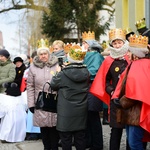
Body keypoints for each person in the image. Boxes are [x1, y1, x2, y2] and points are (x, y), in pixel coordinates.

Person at [90, 28, 130, 150]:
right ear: (112, 44)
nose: (117, 45)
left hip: (129, 99)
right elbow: (104, 80)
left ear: (124, 43)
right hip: (116, 99)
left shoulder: (130, 57)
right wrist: (111, 90)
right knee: (116, 130)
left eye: (119, 42)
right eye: (115, 43)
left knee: (130, 129)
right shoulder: (108, 60)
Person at [112, 34, 150, 150]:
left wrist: (121, 101)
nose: (127, 54)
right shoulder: (135, 64)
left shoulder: (141, 65)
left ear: (136, 53)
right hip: (131, 111)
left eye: (129, 52)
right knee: (131, 141)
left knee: (134, 142)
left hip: (136, 111)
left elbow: (139, 92)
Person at [50, 46, 90, 150]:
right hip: (81, 109)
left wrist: (58, 72)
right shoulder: (86, 72)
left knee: (65, 138)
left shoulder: (63, 74)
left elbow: (53, 85)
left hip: (65, 110)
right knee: (80, 137)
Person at [27, 39, 59, 150]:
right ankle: (46, 148)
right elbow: (30, 86)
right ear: (38, 55)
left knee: (54, 128)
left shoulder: (56, 66)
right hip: (40, 101)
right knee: (44, 129)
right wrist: (31, 104)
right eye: (41, 54)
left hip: (55, 101)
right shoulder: (33, 68)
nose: (43, 56)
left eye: (45, 53)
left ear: (49, 54)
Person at [82, 31, 104, 150]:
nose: (83, 45)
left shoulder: (96, 56)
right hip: (86, 89)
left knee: (93, 118)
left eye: (85, 43)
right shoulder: (86, 55)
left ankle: (97, 144)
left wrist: (81, 74)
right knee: (87, 117)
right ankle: (89, 142)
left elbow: (94, 71)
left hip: (93, 89)